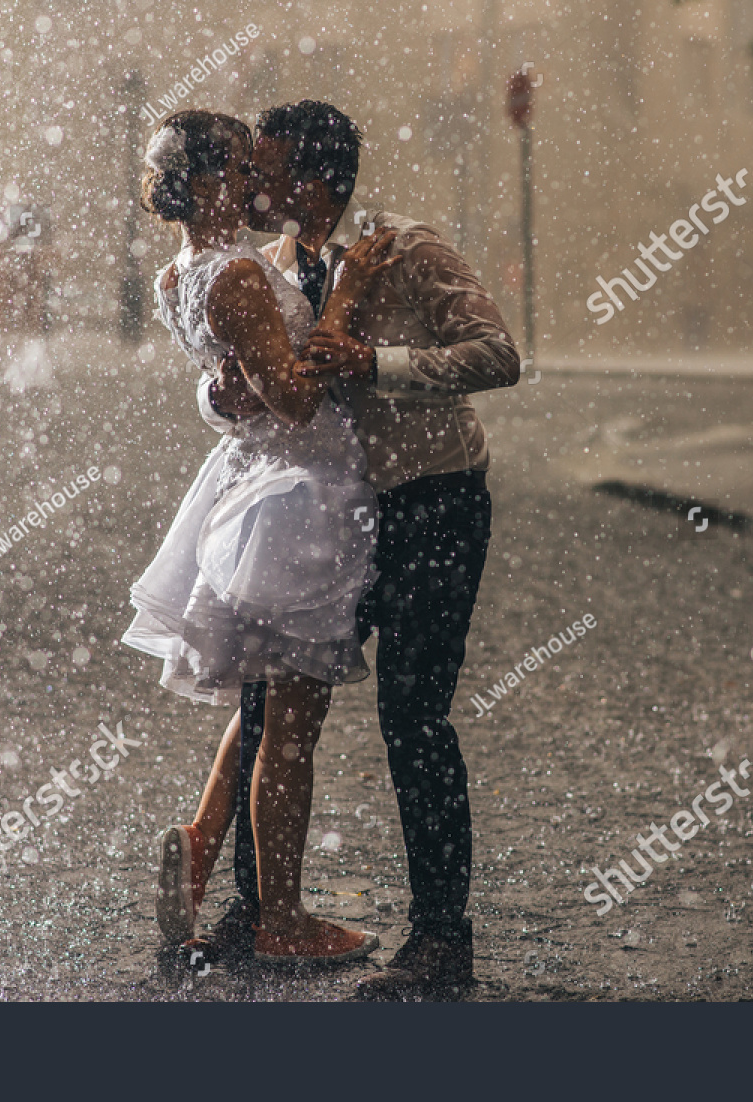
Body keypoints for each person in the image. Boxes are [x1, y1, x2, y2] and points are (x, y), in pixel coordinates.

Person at [190, 101, 520, 999]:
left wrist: (378, 365)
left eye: (267, 167)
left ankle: (441, 943)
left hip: (432, 504)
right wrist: (226, 397)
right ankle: (254, 911)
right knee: (269, 709)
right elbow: (255, 389)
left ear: (316, 177)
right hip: (333, 516)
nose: (251, 184)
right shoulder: (278, 268)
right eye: (246, 167)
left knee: (415, 720)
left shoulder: (404, 246)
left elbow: (498, 353)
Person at [122, 109, 399, 964]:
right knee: (292, 723)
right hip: (296, 494)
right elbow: (294, 400)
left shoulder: (180, 274)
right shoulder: (239, 274)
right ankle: (281, 919)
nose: (254, 182)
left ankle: (204, 847)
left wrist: (227, 389)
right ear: (206, 182)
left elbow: (228, 382)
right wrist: (346, 302)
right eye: (241, 167)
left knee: (269, 701)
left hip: (250, 485)